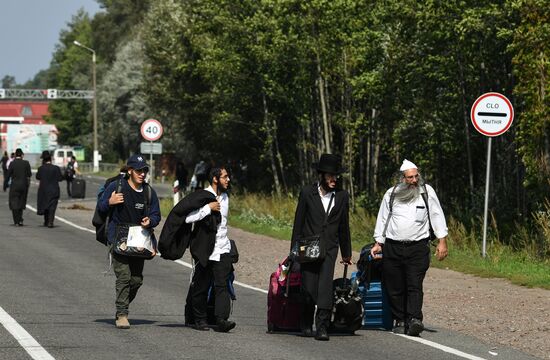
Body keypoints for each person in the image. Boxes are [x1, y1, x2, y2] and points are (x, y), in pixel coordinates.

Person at [370, 159, 448, 336]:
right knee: (394, 285)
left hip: (418, 248)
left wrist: (442, 241)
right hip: (393, 247)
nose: (414, 180)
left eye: (416, 176)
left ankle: (414, 319)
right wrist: (378, 243)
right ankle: (399, 318)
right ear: (402, 179)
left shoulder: (426, 192)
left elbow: (437, 215)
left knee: (414, 284)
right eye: (410, 177)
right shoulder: (391, 194)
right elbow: (383, 219)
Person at [290, 153, 352, 341]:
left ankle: (323, 326)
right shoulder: (307, 192)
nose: (334, 179)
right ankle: (306, 323)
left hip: (330, 248)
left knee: (325, 287)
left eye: (336, 176)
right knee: (308, 288)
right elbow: (298, 222)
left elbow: (344, 226)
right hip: (309, 247)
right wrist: (294, 249)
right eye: (330, 175)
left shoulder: (342, 196)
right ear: (322, 175)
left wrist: (346, 252)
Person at [98, 154, 161, 329]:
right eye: (139, 170)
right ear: (130, 171)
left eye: (145, 170)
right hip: (118, 238)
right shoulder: (116, 186)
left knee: (136, 280)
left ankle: (122, 303)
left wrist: (151, 220)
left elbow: (156, 214)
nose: (142, 174)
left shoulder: (149, 192)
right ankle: (122, 314)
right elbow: (100, 208)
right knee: (124, 276)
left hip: (139, 239)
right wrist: (110, 202)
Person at [184, 166, 236, 332]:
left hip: (222, 247)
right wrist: (208, 209)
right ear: (215, 179)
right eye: (225, 177)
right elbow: (187, 217)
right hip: (205, 249)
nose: (228, 180)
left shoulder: (226, 197)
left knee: (222, 285)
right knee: (201, 285)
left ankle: (221, 319)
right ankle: (199, 319)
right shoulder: (201, 196)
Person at [36, 151, 64, 227]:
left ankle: (46, 221)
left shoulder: (41, 168)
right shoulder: (56, 168)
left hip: (44, 190)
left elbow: (37, 177)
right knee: (52, 206)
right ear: (51, 159)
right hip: (54, 190)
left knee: (45, 205)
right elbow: (60, 178)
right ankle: (50, 222)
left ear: (43, 160)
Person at [7, 148, 31, 226]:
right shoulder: (26, 163)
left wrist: (5, 185)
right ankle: (20, 219)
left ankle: (16, 221)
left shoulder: (12, 163)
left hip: (14, 186)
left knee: (14, 203)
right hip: (24, 186)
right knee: (21, 202)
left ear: (15, 155)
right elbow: (29, 174)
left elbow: (8, 175)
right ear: (22, 155)